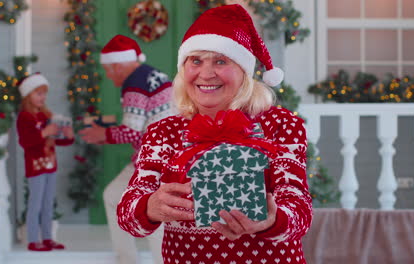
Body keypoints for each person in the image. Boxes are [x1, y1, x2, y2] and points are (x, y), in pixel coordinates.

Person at [117, 4, 313, 264]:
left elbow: (299, 211)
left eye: (221, 61)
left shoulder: (279, 125)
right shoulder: (164, 132)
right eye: (195, 61)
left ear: (244, 71)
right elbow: (129, 216)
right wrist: (149, 207)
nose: (206, 74)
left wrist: (273, 219)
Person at [79, 35, 172, 264]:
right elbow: (142, 121)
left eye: (109, 70)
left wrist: (101, 135)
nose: (109, 77)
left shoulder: (134, 81)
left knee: (148, 210)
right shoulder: (152, 74)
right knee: (116, 196)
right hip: (169, 155)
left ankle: (130, 259)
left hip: (155, 160)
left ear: (119, 64)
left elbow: (131, 131)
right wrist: (106, 130)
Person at [16, 73, 74, 251]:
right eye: (38, 93)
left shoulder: (45, 115)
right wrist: (44, 132)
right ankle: (33, 240)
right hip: (35, 167)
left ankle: (48, 237)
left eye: (44, 94)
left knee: (48, 202)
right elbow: (25, 142)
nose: (43, 97)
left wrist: (68, 136)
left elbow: (57, 139)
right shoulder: (24, 117)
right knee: (36, 203)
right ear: (28, 95)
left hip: (50, 165)